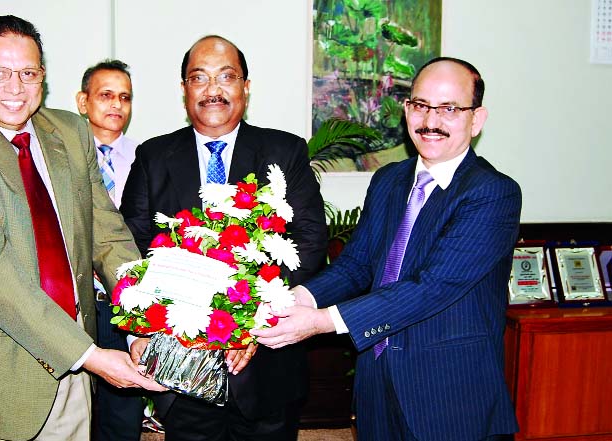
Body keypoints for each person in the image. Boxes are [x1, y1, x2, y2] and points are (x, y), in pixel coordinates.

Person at [0, 15, 163, 441]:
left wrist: (141, 321)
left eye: (27, 73)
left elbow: (107, 235)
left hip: (73, 381)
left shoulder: (68, 131)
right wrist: (91, 356)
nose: (15, 88)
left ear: (42, 76)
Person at [253, 57, 521, 441]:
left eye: (449, 108)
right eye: (421, 105)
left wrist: (322, 321)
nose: (431, 120)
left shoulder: (491, 192)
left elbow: (433, 287)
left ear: (476, 119)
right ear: (407, 110)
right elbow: (358, 264)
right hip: (378, 381)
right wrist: (298, 297)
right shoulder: (389, 180)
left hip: (451, 393)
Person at [120, 35, 328, 441]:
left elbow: (309, 240)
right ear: (184, 90)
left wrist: (245, 320)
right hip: (182, 362)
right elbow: (131, 242)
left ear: (245, 86)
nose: (213, 89)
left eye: (226, 76)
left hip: (267, 363)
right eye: (199, 78)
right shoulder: (153, 155)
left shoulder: (284, 151)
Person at [75, 59, 144, 441]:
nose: (116, 104)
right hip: (75, 300)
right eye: (105, 95)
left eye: (125, 97)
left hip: (124, 302)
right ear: (82, 101)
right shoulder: (59, 160)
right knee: (74, 405)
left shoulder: (146, 158)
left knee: (123, 408)